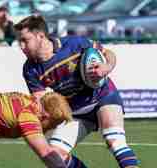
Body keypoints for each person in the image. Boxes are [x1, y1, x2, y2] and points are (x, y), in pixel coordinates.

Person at [14, 15, 139, 168]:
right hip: (75, 112)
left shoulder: (74, 44)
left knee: (115, 140)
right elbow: (40, 100)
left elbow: (108, 54)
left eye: (25, 40)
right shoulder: (30, 69)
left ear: (41, 36)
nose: (21, 46)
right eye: (19, 41)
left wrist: (106, 67)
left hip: (102, 97)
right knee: (55, 155)